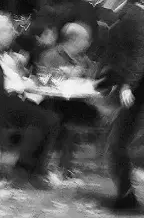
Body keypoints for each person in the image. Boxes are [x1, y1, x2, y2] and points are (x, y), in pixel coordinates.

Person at [86, 0, 144, 211]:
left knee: (126, 147)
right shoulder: (116, 19)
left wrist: (129, 84)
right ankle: (127, 197)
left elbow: (143, 53)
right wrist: (99, 83)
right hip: (132, 90)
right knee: (116, 147)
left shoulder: (137, 16)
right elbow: (117, 60)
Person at [0, 11, 60, 189]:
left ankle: (33, 170)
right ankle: (24, 172)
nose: (13, 33)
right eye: (8, 30)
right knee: (43, 119)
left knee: (50, 118)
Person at [38, 22, 101, 178]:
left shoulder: (84, 60)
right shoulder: (50, 56)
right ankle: (50, 165)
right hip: (53, 101)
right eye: (86, 40)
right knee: (58, 117)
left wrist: (86, 78)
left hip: (77, 103)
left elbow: (93, 81)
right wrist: (65, 75)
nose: (88, 43)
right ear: (74, 39)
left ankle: (65, 166)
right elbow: (42, 79)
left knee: (87, 116)